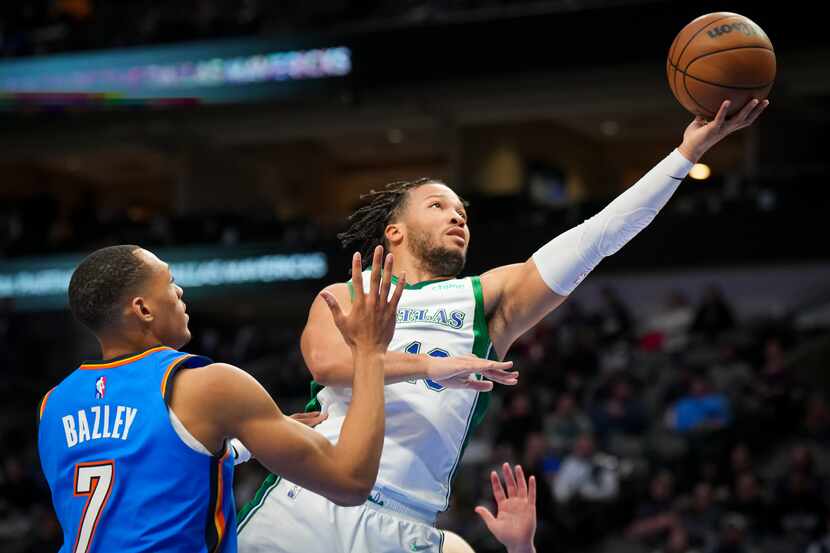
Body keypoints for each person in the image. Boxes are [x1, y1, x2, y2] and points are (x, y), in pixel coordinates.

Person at [237, 98, 769, 553]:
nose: (458, 215)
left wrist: (685, 155)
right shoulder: (346, 293)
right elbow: (330, 364)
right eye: (438, 204)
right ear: (394, 231)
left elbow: (597, 237)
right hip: (308, 496)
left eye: (462, 210)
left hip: (407, 521)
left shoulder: (484, 301)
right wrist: (432, 366)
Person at [37, 244, 419, 552]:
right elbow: (350, 481)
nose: (180, 291)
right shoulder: (208, 386)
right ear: (143, 309)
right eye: (170, 282)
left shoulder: (52, 406)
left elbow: (138, 471)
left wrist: (236, 444)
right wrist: (370, 352)